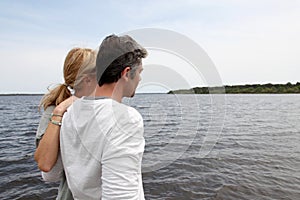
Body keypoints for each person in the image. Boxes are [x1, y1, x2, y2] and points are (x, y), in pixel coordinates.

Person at [60, 34, 148, 199]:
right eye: (140, 72)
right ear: (126, 73)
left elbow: (50, 174)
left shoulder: (70, 113)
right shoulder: (125, 118)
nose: (140, 79)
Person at [34, 47, 97, 199]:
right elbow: (47, 168)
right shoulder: (55, 110)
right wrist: (59, 112)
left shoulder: (103, 107)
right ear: (87, 79)